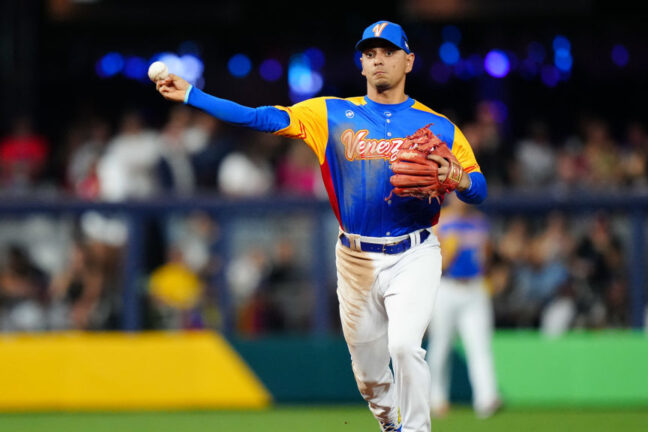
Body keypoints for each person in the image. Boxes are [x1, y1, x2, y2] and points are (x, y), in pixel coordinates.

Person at [156, 20, 487, 432]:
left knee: (405, 347)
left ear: (409, 61)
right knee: (369, 375)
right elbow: (260, 118)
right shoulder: (330, 113)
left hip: (415, 251)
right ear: (361, 65)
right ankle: (390, 421)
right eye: (370, 53)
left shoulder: (439, 127)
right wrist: (193, 95)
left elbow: (479, 189)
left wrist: (461, 180)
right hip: (356, 258)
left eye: (388, 52)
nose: (378, 60)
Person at [426, 196, 501, 419]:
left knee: (480, 345)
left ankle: (487, 398)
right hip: (446, 287)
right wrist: (447, 254)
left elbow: (487, 259)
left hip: (475, 287)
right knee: (441, 345)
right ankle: (436, 397)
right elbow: (432, 263)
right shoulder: (438, 222)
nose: (461, 200)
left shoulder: (480, 222)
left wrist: (487, 261)